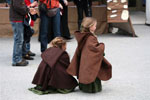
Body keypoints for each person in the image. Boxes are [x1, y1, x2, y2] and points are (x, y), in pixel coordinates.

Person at [67, 17, 112, 93]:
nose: (96, 27)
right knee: (92, 70)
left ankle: (84, 86)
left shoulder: (84, 35)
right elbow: (95, 49)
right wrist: (101, 45)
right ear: (90, 27)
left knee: (86, 70)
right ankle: (92, 88)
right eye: (95, 25)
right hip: (90, 59)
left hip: (85, 58)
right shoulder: (91, 38)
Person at [10, 0, 36, 66]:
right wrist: (28, 10)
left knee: (20, 40)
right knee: (19, 40)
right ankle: (16, 60)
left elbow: (21, 5)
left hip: (18, 19)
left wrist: (28, 9)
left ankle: (20, 57)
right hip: (17, 20)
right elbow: (18, 6)